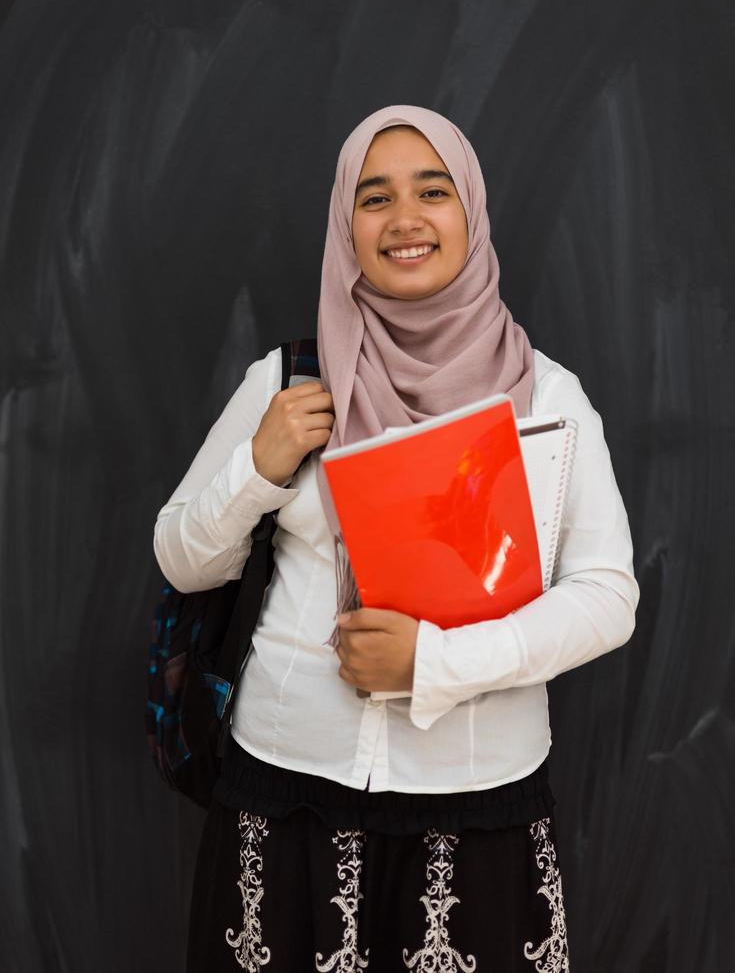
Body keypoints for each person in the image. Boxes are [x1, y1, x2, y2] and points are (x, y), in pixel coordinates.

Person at [153, 104, 639, 972]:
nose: (404, 219)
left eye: (432, 191)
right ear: (347, 223)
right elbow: (182, 557)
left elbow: (606, 598)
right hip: (283, 792)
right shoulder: (289, 379)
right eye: (373, 198)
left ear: (470, 213)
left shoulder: (548, 399)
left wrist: (434, 666)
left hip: (475, 798)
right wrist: (259, 468)